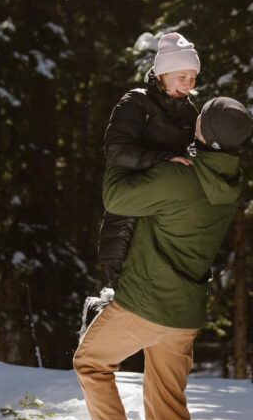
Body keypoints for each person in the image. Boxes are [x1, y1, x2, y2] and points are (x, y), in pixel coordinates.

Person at [74, 96, 252, 420]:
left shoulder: (181, 179)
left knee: (90, 363)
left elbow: (115, 198)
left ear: (206, 134)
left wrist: (130, 153)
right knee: (166, 397)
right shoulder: (230, 182)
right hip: (184, 311)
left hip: (144, 302)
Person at [80, 32, 201, 335]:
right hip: (131, 198)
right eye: (182, 75)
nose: (189, 83)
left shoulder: (189, 112)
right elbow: (116, 150)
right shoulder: (136, 102)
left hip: (163, 208)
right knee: (126, 282)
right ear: (162, 73)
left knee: (152, 290)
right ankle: (98, 318)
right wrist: (162, 160)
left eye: (194, 77)